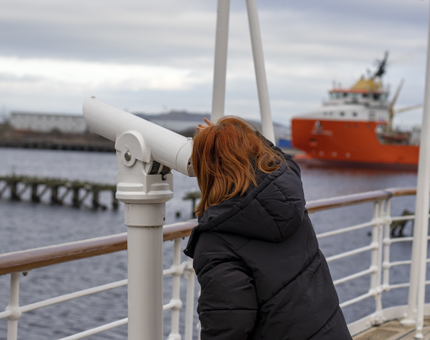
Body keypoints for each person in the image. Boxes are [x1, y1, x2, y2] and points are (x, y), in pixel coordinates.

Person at [184, 116, 352, 340]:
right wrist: (230, 135)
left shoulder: (216, 241)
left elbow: (226, 328)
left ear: (207, 170)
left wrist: (214, 140)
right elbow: (284, 160)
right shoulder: (289, 196)